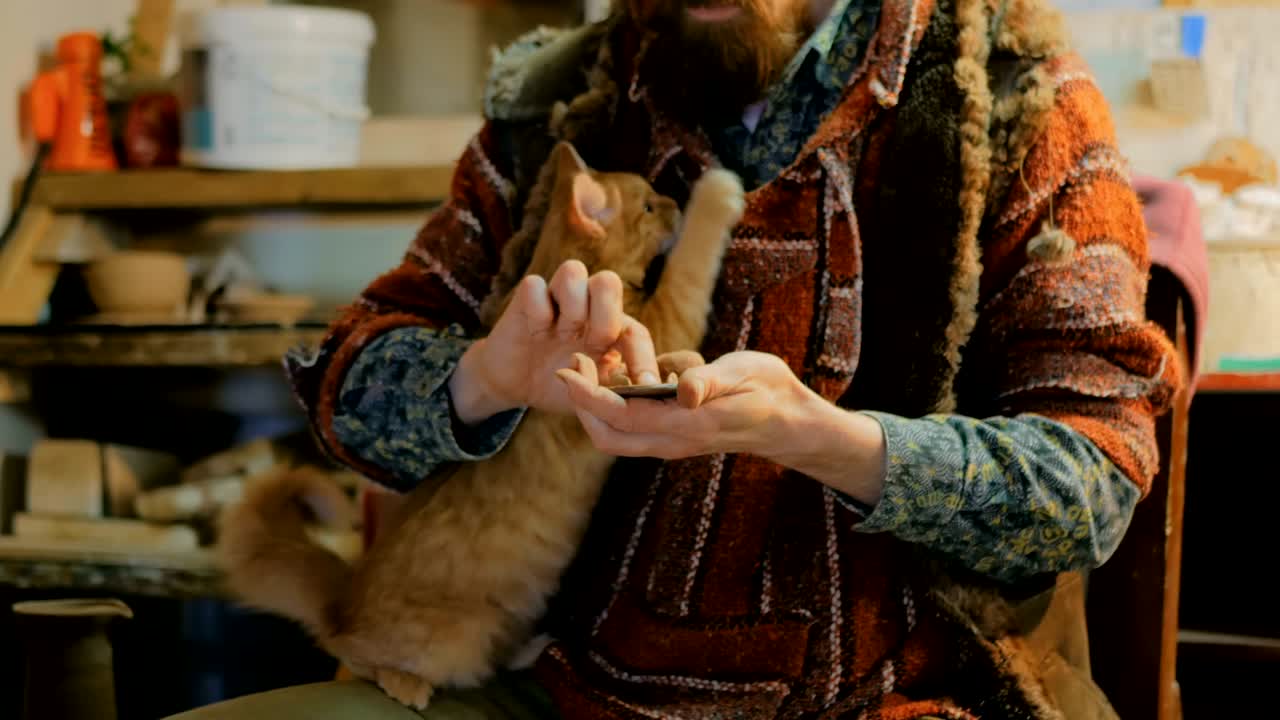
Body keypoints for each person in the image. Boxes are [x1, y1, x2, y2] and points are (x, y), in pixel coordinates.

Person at [173, 0, 1182, 717]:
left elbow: (1090, 478)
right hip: (551, 683)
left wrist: (833, 445)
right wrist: (479, 381)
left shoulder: (1013, 96)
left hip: (903, 696)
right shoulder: (556, 99)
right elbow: (347, 376)